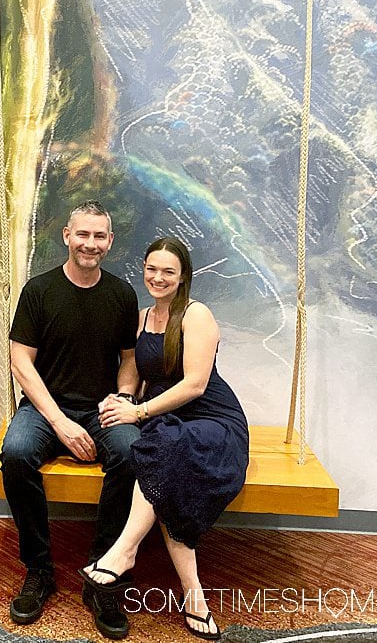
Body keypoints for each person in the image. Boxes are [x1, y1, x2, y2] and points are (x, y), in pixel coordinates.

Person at [82, 236, 249, 640]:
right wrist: (122, 398)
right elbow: (138, 377)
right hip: (167, 422)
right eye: (152, 269)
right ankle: (195, 598)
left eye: (168, 271)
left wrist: (137, 412)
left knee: (164, 449)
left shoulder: (196, 315)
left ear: (183, 277)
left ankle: (123, 551)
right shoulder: (141, 319)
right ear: (144, 269)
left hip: (211, 420)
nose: (158, 277)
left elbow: (194, 385)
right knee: (162, 457)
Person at [2, 200, 142, 639]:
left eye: (99, 236)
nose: (90, 243)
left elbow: (130, 359)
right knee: (17, 453)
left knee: (132, 453)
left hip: (101, 409)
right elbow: (20, 362)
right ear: (67, 236)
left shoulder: (121, 295)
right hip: (47, 409)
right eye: (83, 234)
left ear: (110, 242)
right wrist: (61, 422)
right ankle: (39, 570)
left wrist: (120, 399)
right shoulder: (39, 291)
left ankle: (103, 573)